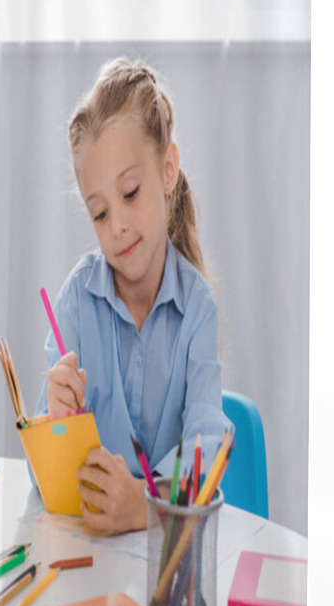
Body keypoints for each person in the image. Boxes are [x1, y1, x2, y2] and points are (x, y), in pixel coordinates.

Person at [35, 58, 231, 534]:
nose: (117, 225)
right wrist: (55, 424)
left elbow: (207, 444)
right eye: (99, 213)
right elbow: (42, 481)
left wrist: (145, 507)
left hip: (165, 560)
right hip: (86, 558)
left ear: (167, 171)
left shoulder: (197, 310)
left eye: (130, 192)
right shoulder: (76, 303)